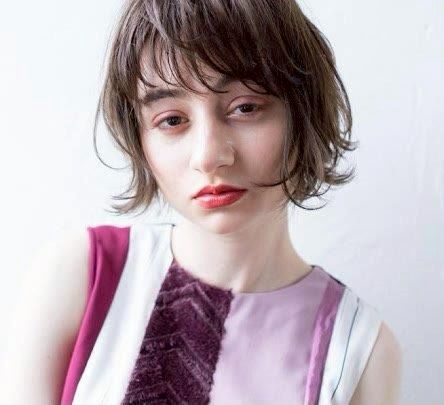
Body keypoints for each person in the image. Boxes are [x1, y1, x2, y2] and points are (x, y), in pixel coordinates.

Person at [3, 0, 402, 404]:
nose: (208, 155)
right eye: (172, 120)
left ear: (303, 112)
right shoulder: (83, 274)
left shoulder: (358, 348)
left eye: (245, 108)